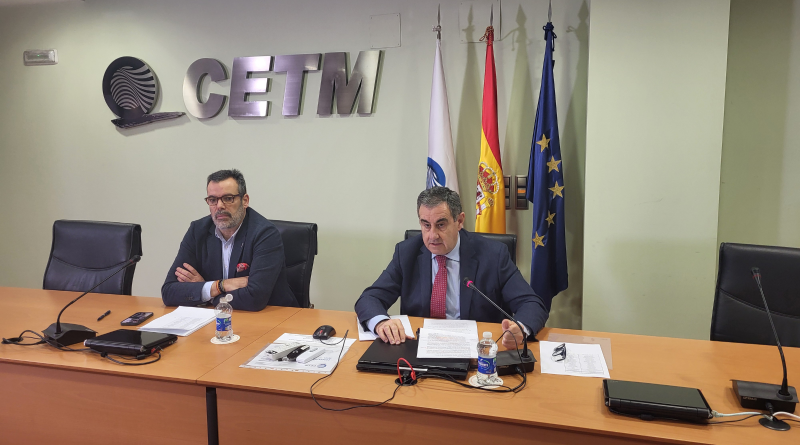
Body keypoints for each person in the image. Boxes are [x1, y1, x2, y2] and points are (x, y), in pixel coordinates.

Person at [354, 187, 549, 348]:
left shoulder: (493, 255)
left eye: (441, 225)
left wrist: (520, 328)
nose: (432, 236)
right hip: (418, 347)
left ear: (459, 221)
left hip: (477, 348)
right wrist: (381, 322)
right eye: (426, 225)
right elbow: (370, 298)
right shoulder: (406, 253)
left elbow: (531, 304)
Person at [161, 169, 298, 311]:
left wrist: (207, 292)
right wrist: (220, 286)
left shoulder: (265, 233)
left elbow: (255, 298)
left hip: (271, 317)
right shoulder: (197, 230)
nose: (219, 206)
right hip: (220, 317)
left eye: (228, 198)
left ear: (245, 201)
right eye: (213, 200)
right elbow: (169, 292)